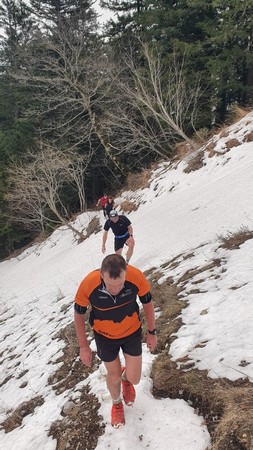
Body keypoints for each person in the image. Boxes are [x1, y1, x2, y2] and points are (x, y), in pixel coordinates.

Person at [74, 254, 158, 428]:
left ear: (126, 274)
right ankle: (116, 403)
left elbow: (148, 303)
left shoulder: (136, 277)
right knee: (113, 375)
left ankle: (126, 379)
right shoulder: (89, 284)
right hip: (105, 337)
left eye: (120, 284)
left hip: (131, 332)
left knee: (134, 378)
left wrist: (152, 332)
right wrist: (84, 347)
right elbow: (78, 314)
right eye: (110, 286)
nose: (116, 290)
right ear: (101, 276)